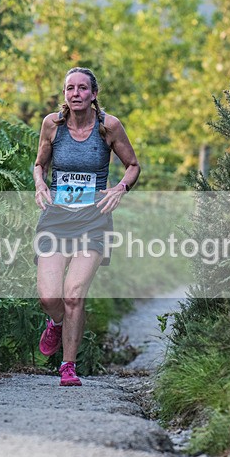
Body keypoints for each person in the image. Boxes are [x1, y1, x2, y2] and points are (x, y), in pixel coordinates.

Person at [33, 67, 141, 386]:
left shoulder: (109, 127)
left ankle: (68, 365)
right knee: (50, 298)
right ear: (64, 94)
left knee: (74, 294)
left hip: (94, 221)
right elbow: (40, 164)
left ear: (94, 94)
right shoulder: (52, 125)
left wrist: (120, 188)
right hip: (56, 219)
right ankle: (55, 324)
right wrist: (40, 185)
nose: (76, 93)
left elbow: (133, 166)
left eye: (82, 88)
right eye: (70, 88)